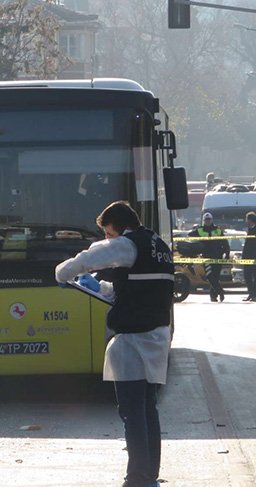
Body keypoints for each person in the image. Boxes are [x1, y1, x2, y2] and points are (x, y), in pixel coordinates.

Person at [56, 201, 172, 487]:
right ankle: (149, 475)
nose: (108, 238)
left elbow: (92, 256)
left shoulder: (127, 244)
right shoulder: (158, 246)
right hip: (155, 337)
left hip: (133, 341)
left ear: (120, 228)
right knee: (147, 409)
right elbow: (137, 291)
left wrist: (63, 273)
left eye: (108, 232)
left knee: (132, 413)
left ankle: (137, 479)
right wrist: (100, 288)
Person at [188, 212, 229, 302]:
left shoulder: (217, 230)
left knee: (215, 277)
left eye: (209, 219)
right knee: (209, 276)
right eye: (206, 220)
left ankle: (213, 296)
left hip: (218, 256)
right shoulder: (200, 230)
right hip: (207, 257)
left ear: (212, 220)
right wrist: (195, 230)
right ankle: (220, 291)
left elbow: (225, 242)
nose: (207, 221)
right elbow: (190, 234)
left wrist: (227, 253)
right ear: (203, 221)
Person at [243, 211, 256, 301]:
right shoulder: (250, 229)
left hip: (254, 257)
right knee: (247, 276)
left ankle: (253, 294)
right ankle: (251, 294)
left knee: (254, 276)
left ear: (250, 219)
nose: (246, 221)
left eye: (247, 219)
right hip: (247, 257)